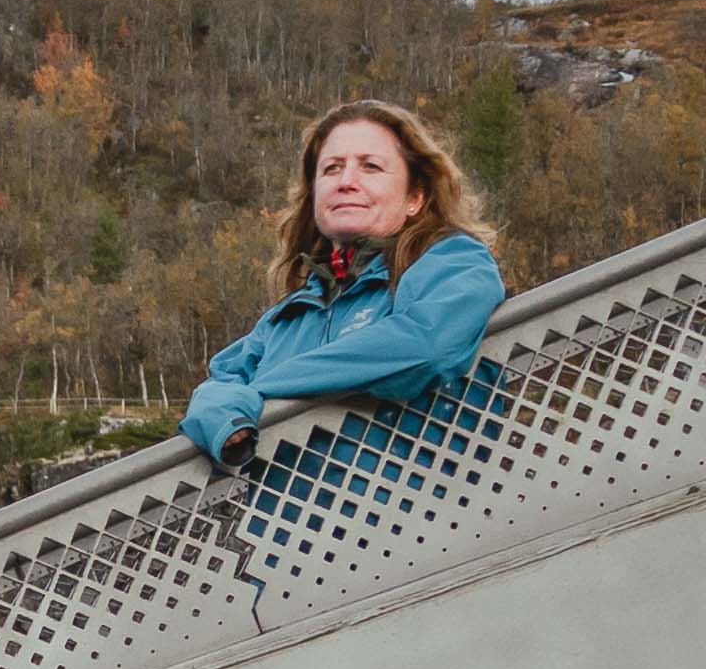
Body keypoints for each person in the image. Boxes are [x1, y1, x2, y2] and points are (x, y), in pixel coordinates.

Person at [183, 102, 504, 474]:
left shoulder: (453, 262)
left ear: (415, 198)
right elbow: (219, 382)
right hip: (288, 529)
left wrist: (263, 391)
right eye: (332, 168)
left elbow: (426, 344)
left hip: (425, 518)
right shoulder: (287, 318)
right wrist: (230, 413)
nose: (346, 180)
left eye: (370, 167)